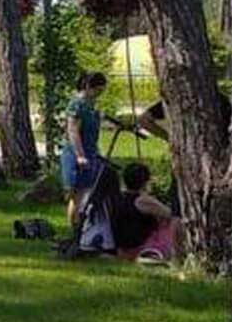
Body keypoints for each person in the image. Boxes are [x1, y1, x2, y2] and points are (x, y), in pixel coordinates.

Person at [109, 163, 186, 262]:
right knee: (176, 221)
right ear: (145, 182)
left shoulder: (120, 197)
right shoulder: (142, 201)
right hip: (139, 247)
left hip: (121, 246)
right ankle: (177, 257)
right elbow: (170, 213)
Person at [61, 72, 108, 228]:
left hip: (90, 150)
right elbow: (73, 131)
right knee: (77, 194)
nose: (99, 95)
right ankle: (74, 227)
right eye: (98, 91)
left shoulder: (90, 106)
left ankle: (80, 227)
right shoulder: (77, 105)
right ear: (88, 87)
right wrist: (80, 155)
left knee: (86, 191)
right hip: (77, 153)